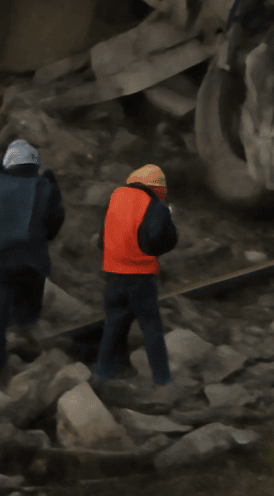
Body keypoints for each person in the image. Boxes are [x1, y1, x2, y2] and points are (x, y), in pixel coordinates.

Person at [0, 139, 65, 373]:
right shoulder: (45, 186)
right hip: (33, 259)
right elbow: (55, 222)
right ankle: (26, 342)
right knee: (29, 300)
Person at [93, 164, 178, 386]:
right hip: (141, 278)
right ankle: (162, 379)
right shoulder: (155, 206)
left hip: (112, 276)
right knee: (151, 328)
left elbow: (102, 239)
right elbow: (160, 241)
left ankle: (102, 374)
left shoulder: (115, 198)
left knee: (113, 326)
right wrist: (169, 223)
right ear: (157, 187)